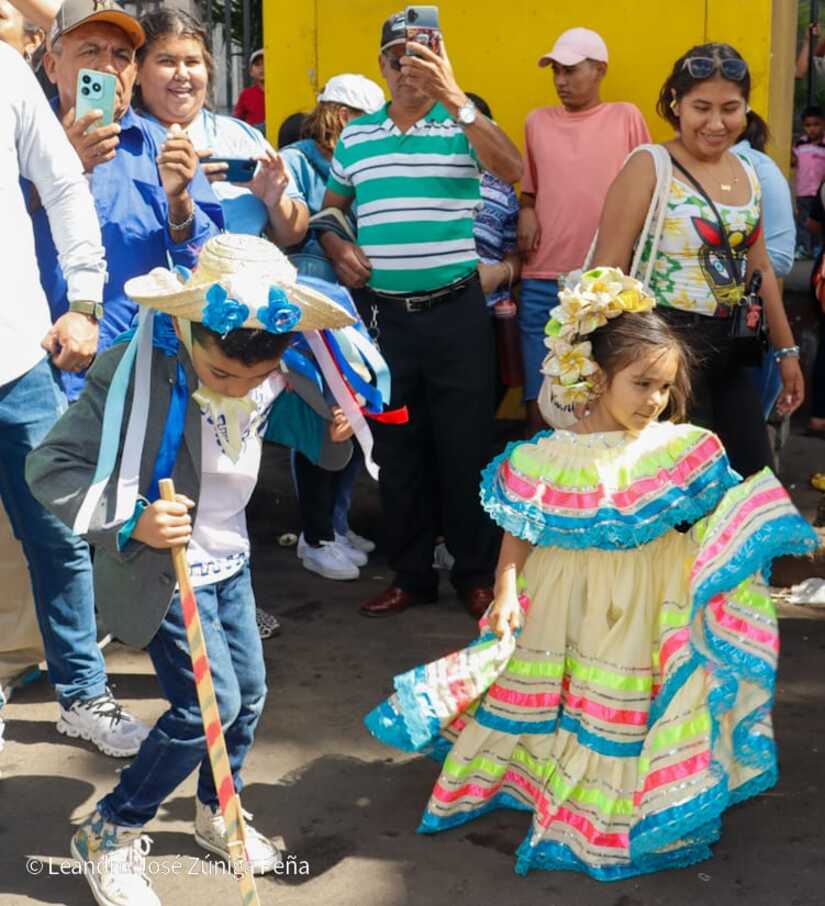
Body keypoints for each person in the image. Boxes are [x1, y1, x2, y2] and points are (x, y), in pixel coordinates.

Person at [365, 268, 817, 880]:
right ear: (597, 377)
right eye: (641, 383)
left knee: (631, 701)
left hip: (649, 604)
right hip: (564, 599)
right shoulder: (546, 455)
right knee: (567, 692)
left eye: (664, 386)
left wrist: (758, 535)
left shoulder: (682, 447)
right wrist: (503, 589)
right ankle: (554, 784)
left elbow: (719, 510)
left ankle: (631, 798)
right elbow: (521, 524)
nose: (654, 399)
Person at [27, 234, 356, 906]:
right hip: (164, 568)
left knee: (249, 697)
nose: (239, 387)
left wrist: (334, 434)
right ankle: (111, 828)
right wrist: (130, 520)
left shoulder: (273, 374)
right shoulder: (132, 370)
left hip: (230, 565)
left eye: (253, 377)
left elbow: (318, 455)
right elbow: (49, 467)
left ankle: (217, 811)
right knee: (206, 708)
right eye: (221, 374)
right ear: (186, 328)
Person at [320, 11, 523, 619]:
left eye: (424, 54)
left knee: (468, 446)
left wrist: (456, 97)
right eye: (398, 58)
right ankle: (410, 575)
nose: (409, 68)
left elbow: (511, 170)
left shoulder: (461, 125)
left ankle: (476, 574)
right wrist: (337, 245)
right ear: (382, 67)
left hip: (457, 314)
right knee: (397, 446)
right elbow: (331, 211)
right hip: (387, 321)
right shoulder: (358, 137)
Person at [0, 37, 149, 760]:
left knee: (57, 536)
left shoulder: (3, 72)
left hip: (17, 357)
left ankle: (81, 695)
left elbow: (62, 185)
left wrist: (84, 301)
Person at [592, 43, 805, 478]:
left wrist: (787, 352)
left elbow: (758, 267)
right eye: (701, 107)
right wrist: (598, 370)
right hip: (660, 354)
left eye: (730, 108)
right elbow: (605, 273)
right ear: (676, 104)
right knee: (673, 492)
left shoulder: (748, 173)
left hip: (731, 350)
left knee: (752, 483)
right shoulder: (649, 166)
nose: (716, 123)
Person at [34, 0, 222, 403]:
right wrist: (61, 171)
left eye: (121, 55)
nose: (107, 67)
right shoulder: (18, 145)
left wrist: (180, 201)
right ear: (51, 66)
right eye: (90, 51)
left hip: (137, 381)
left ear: (134, 73)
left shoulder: (165, 146)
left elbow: (212, 263)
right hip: (31, 379)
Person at [517, 27, 650, 434]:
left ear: (600, 71)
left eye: (571, 70)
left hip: (604, 283)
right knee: (539, 393)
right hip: (543, 277)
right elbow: (529, 190)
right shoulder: (537, 121)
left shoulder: (626, 117)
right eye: (556, 71)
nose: (561, 80)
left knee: (602, 391)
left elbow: (647, 190)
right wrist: (526, 210)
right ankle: (538, 479)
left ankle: (588, 487)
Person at [280, 73, 385, 579]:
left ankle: (336, 526)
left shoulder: (359, 161)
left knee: (352, 414)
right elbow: (293, 229)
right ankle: (314, 535)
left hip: (353, 305)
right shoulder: (298, 160)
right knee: (320, 419)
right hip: (310, 305)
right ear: (343, 116)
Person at [136, 8, 307, 244]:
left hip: (245, 277)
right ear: (136, 71)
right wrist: (180, 193)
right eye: (167, 61)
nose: (182, 74)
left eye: (193, 62)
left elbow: (293, 234)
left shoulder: (241, 136)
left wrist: (276, 201)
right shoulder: (123, 142)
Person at [733, 111, 796, 465]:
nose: (713, 123)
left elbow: (780, 260)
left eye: (726, 110)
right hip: (689, 331)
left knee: (742, 451)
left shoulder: (757, 170)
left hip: (744, 330)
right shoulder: (666, 165)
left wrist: (717, 268)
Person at [791, 106, 825, 259]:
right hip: (803, 191)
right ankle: (804, 247)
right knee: (803, 221)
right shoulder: (799, 145)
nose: (812, 129)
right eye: (808, 125)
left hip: (820, 192)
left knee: (819, 221)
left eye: (816, 124)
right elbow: (793, 162)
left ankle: (818, 248)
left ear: (823, 124)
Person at [233, 46, 265, 128]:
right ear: (251, 71)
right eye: (257, 64)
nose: (262, 68)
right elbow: (237, 120)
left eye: (266, 63)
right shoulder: (246, 94)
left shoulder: (280, 93)